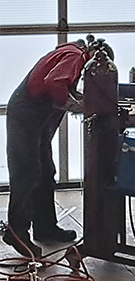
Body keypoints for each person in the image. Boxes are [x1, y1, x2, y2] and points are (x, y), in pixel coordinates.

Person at [4, 36, 113, 258]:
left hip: (39, 117)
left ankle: (45, 228)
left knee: (45, 171)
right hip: (26, 114)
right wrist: (77, 105)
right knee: (27, 172)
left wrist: (82, 99)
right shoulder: (76, 56)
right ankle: (16, 232)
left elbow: (61, 83)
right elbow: (54, 82)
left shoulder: (72, 53)